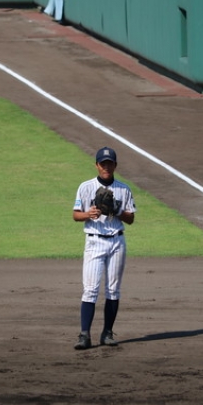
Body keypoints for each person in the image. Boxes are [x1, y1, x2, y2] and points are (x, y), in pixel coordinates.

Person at [72, 147, 136, 349]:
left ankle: (107, 333)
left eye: (110, 163)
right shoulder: (85, 187)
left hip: (117, 242)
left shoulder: (124, 189)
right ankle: (84, 335)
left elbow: (131, 218)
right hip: (94, 242)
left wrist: (117, 210)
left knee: (113, 290)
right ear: (97, 165)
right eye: (103, 164)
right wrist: (88, 214)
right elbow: (75, 214)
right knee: (90, 290)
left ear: (115, 165)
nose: (106, 167)